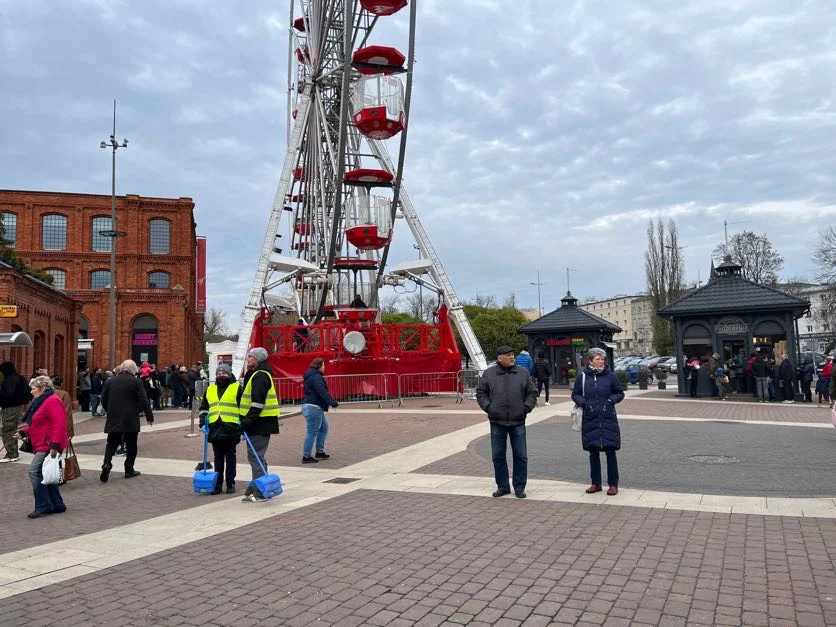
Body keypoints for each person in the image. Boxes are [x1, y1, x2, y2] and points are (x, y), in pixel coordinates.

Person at [475, 345, 538, 499]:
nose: (512, 357)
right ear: (499, 358)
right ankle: (503, 487)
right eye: (508, 355)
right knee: (498, 456)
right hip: (497, 421)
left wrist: (526, 408)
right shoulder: (489, 374)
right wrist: (489, 407)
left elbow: (532, 392)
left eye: (513, 355)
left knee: (521, 456)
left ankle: (519, 487)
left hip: (518, 420)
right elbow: (481, 393)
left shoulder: (523, 373)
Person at [572, 347, 625, 496]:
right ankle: (596, 483)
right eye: (598, 359)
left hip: (608, 417)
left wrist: (610, 401)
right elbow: (575, 394)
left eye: (602, 359)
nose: (601, 361)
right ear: (590, 361)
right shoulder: (582, 376)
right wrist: (584, 403)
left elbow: (619, 393)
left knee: (610, 451)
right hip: (591, 418)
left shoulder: (610, 376)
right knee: (593, 452)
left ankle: (613, 484)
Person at [16, 375, 68, 518]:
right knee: (46, 474)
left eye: (33, 389)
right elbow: (39, 422)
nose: (31, 391)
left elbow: (59, 423)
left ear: (42, 388)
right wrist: (23, 431)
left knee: (34, 471)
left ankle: (43, 505)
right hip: (44, 443)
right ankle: (57, 504)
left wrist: (55, 445)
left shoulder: (51, 401)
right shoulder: (42, 401)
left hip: (48, 444)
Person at [99, 359, 155, 482]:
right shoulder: (136, 382)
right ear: (132, 369)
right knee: (131, 444)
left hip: (114, 417)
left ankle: (107, 464)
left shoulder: (110, 381)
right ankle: (128, 469)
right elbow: (143, 399)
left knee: (111, 443)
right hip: (130, 418)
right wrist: (148, 415)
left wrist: (109, 409)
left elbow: (103, 398)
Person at [238, 347, 280, 502]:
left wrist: (247, 421)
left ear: (257, 359)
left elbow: (257, 402)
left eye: (250, 356)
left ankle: (260, 492)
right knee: (257, 456)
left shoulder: (260, 376)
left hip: (259, 423)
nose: (247, 359)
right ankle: (258, 486)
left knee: (255, 457)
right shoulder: (259, 374)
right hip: (261, 422)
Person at [198, 363, 241, 494]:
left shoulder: (237, 388)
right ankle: (217, 484)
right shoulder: (210, 389)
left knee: (230, 457)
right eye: (218, 374)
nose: (221, 375)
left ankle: (230, 483)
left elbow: (244, 407)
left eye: (224, 373)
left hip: (231, 427)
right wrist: (203, 423)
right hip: (215, 427)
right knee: (218, 458)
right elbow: (204, 408)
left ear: (229, 374)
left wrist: (243, 424)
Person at [301, 357, 338, 464]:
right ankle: (306, 456)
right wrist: (332, 402)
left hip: (314, 406)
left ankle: (319, 452)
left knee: (324, 428)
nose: (325, 367)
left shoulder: (311, 375)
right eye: (323, 365)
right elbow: (321, 390)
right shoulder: (316, 377)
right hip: (314, 407)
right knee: (312, 432)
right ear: (319, 366)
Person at [0, 361, 30, 463]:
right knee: (11, 429)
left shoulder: (10, 380)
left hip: (10, 407)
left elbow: (8, 394)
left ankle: (12, 454)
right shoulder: (18, 377)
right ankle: (13, 453)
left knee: (7, 430)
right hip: (15, 406)